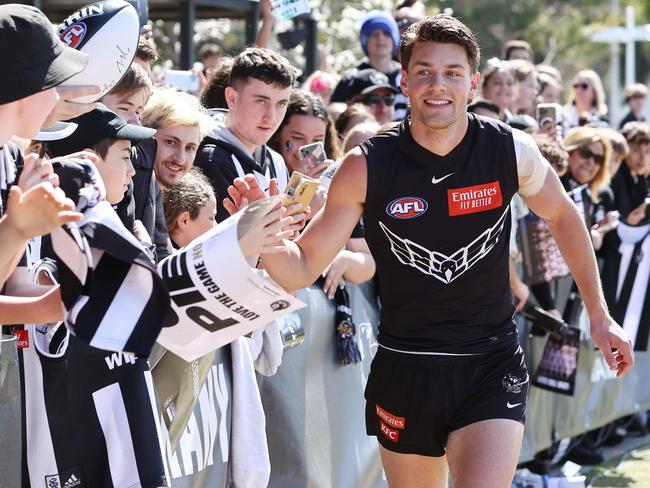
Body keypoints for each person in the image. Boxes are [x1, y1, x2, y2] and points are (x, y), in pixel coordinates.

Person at [228, 15, 634, 487]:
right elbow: (300, 269)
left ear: (473, 82)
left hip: (490, 362)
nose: (437, 85)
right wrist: (260, 228)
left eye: (452, 73)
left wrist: (600, 315)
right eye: (423, 72)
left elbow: (563, 215)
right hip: (406, 366)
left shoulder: (508, 149)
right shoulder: (366, 164)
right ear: (404, 79)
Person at [0, 4, 87, 287]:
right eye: (54, 83)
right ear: (26, 88)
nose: (57, 98)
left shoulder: (9, 154)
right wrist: (16, 227)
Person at [194, 47, 296, 222]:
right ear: (232, 98)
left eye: (281, 104)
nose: (270, 116)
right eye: (261, 101)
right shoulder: (210, 159)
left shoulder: (276, 160)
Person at [331, 11, 407, 119]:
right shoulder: (351, 78)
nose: (380, 38)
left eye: (386, 33)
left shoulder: (406, 75)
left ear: (394, 39)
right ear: (365, 40)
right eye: (374, 34)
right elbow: (335, 115)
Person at [140, 87, 212, 188]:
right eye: (170, 142)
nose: (180, 159)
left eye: (190, 147)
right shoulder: (125, 197)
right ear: (145, 137)